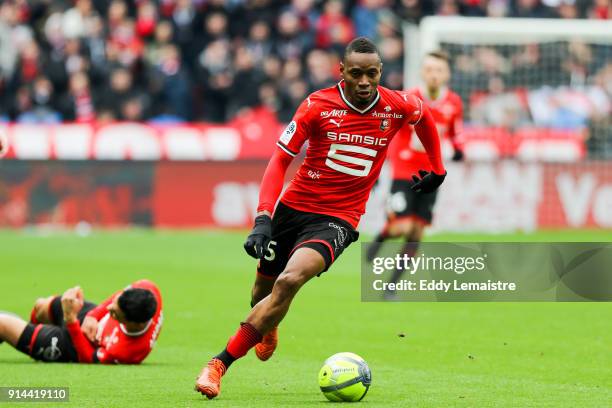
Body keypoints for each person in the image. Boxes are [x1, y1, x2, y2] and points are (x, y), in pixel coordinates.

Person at [194, 37, 447, 399]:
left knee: (289, 281)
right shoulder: (317, 106)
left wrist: (437, 168)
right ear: (341, 71)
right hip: (293, 210)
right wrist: (263, 218)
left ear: (380, 73)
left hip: (339, 219)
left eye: (371, 74)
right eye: (356, 73)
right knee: (260, 294)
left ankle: (218, 365)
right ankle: (269, 324)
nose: (364, 81)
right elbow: (280, 159)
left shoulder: (396, 105)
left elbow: (424, 117)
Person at [367, 51, 464, 298]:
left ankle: (391, 286)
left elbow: (455, 131)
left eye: (439, 70)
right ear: (422, 72)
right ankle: (383, 235)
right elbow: (384, 129)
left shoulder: (453, 102)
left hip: (432, 174)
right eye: (430, 69)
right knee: (402, 227)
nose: (434, 75)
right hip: (403, 170)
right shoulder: (408, 99)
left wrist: (460, 148)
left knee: (417, 233)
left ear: (447, 74)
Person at [0, 279, 163, 364]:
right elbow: (119, 296)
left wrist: (70, 320)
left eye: (114, 313)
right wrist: (93, 315)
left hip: (73, 346)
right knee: (41, 305)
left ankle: (30, 337)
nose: (109, 308)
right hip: (89, 318)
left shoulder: (124, 351)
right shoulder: (148, 288)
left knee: (2, 325)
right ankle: (30, 335)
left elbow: (87, 357)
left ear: (135, 324)